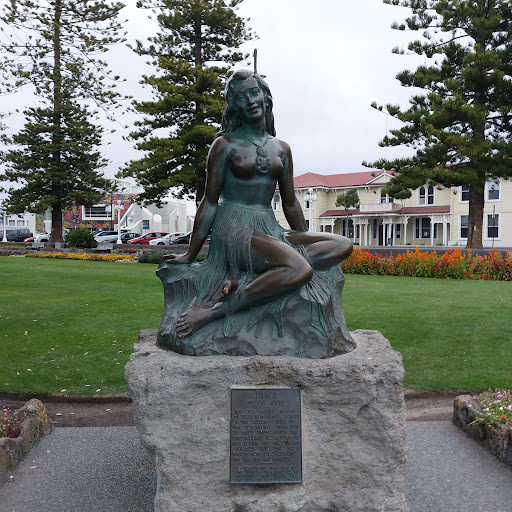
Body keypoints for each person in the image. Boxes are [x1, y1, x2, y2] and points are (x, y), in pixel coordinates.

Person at [164, 69, 352, 340]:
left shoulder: (282, 148)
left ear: (266, 97)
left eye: (254, 93)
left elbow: (290, 202)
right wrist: (190, 255)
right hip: (234, 228)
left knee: (341, 244)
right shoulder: (224, 144)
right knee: (301, 268)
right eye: (241, 97)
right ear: (234, 106)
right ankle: (214, 310)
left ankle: (248, 281)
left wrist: (301, 239)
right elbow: (210, 201)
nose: (250, 101)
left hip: (268, 228)